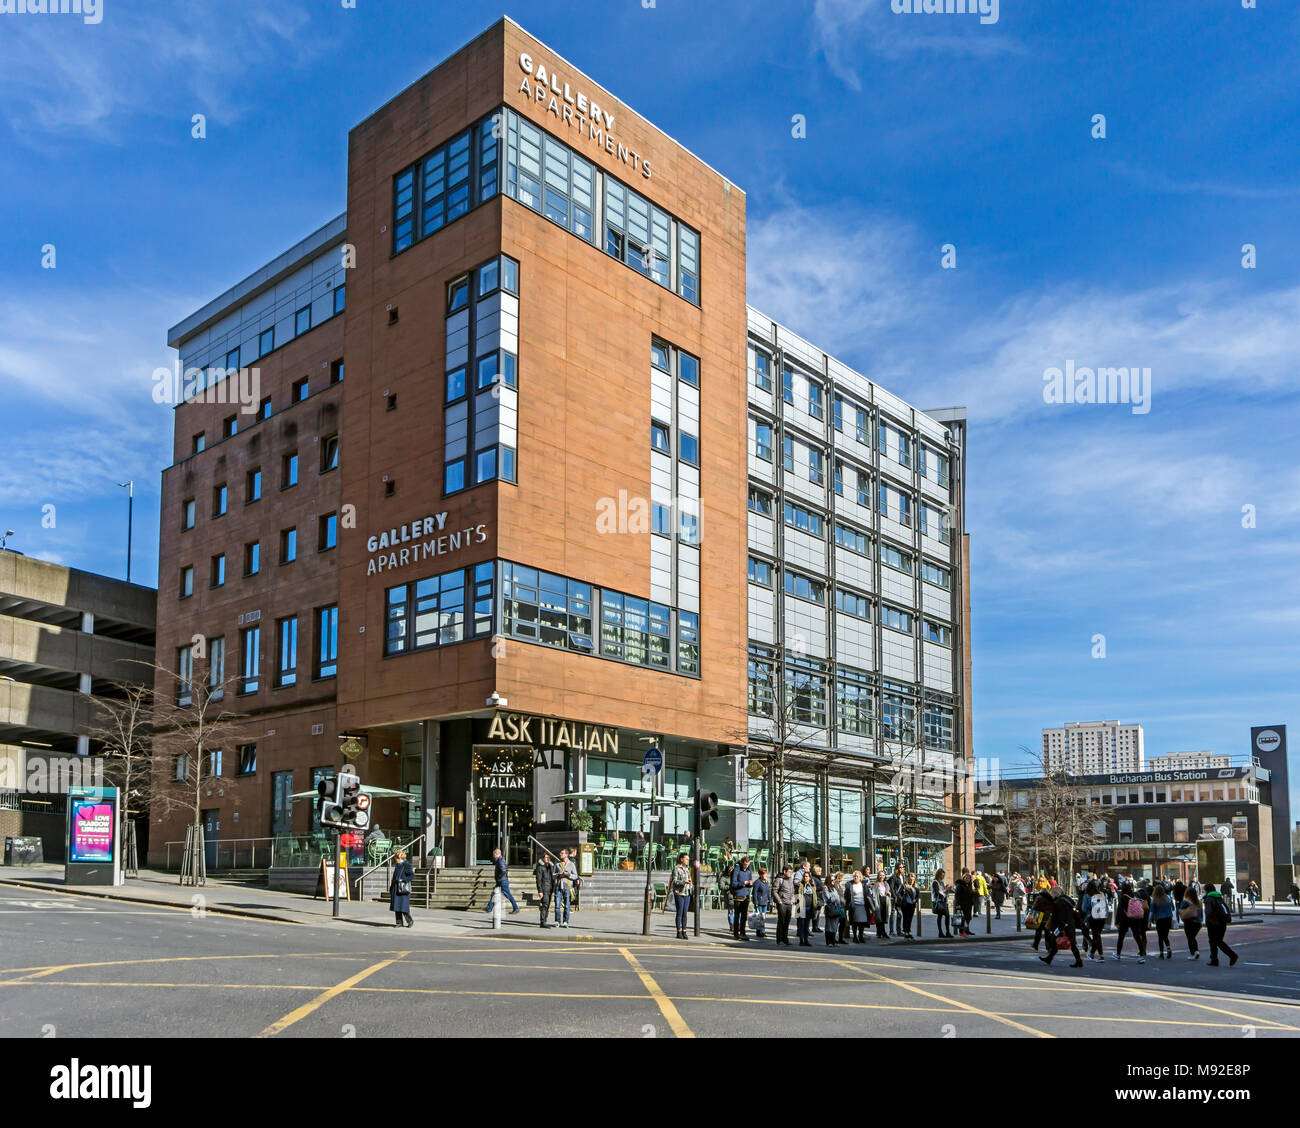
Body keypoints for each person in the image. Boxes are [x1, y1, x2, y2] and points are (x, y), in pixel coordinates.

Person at [1040, 886, 1083, 967]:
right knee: (1070, 942)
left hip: (1063, 925)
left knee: (1054, 939)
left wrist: (1060, 927)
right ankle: (1050, 958)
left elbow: (1060, 916)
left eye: (1052, 894)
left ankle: (1078, 961)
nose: (1051, 896)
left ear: (1056, 894)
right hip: (1070, 924)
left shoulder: (1059, 902)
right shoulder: (1067, 900)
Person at [1202, 883, 1239, 967]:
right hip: (1222, 923)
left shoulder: (1209, 899)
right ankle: (1214, 959)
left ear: (1206, 890)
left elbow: (1209, 912)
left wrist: (1208, 921)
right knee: (1217, 941)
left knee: (1215, 941)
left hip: (1213, 923)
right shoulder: (1219, 897)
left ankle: (1231, 956)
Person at [1114, 881, 1147, 962]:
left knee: (1121, 937)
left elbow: (1120, 910)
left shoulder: (1123, 896)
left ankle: (1118, 954)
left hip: (1125, 919)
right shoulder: (1136, 894)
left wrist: (1117, 921)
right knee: (1137, 936)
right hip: (1135, 918)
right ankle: (1141, 955)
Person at [486, 846, 520, 914]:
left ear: (496, 854)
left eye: (493, 855)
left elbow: (503, 870)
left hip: (502, 881)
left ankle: (516, 908)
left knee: (508, 895)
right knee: (494, 894)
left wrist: (499, 878)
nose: (493, 856)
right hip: (501, 881)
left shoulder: (501, 860)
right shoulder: (499, 860)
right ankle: (489, 908)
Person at [731, 855, 755, 940]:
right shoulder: (736, 870)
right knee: (737, 915)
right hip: (738, 896)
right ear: (741, 863)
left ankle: (743, 932)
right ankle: (736, 933)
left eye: (748, 864)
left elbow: (750, 882)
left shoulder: (748, 871)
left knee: (744, 916)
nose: (746, 866)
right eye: (745, 864)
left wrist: (750, 884)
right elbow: (733, 884)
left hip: (746, 896)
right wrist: (743, 883)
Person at [670, 851, 693, 939]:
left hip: (687, 893)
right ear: (681, 859)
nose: (687, 860)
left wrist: (690, 884)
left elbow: (689, 878)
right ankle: (678, 931)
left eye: (688, 859)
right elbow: (674, 881)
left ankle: (684, 931)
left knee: (685, 913)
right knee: (679, 912)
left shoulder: (687, 869)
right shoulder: (676, 868)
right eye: (686, 859)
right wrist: (684, 882)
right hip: (679, 893)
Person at [1082, 880, 1107, 961]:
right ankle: (1092, 954)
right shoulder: (1102, 895)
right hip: (1102, 917)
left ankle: (1101, 956)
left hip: (1092, 917)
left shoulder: (1087, 896)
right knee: (1097, 935)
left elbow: (1084, 908)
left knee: (1096, 937)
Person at [773, 864, 796, 946]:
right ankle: (779, 940)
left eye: (791, 872)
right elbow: (774, 891)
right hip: (782, 903)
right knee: (781, 922)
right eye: (789, 872)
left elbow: (792, 891)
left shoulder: (790, 880)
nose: (790, 873)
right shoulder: (779, 880)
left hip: (789, 903)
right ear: (784, 871)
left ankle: (785, 939)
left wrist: (792, 900)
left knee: (787, 922)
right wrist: (779, 901)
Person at [553, 848, 577, 928]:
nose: (560, 854)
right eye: (560, 853)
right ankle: (557, 921)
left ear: (566, 854)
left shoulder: (571, 864)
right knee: (557, 905)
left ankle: (565, 921)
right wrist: (559, 874)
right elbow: (553, 875)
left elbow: (575, 876)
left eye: (562, 853)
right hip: (558, 886)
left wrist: (568, 875)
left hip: (567, 886)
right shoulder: (557, 864)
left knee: (567, 905)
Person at [1150, 883, 1175, 958]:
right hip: (1168, 918)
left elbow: (1152, 912)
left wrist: (1149, 921)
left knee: (1160, 936)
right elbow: (1172, 908)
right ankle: (1168, 948)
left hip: (1159, 919)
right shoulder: (1168, 897)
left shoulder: (1154, 900)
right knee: (1165, 935)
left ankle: (1161, 953)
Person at [390, 849, 413, 927]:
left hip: (403, 889)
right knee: (397, 907)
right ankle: (399, 923)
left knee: (403, 907)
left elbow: (411, 875)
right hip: (396, 888)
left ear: (400, 858)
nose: (395, 859)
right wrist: (391, 887)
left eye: (396, 858)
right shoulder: (398, 864)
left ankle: (409, 921)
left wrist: (403, 880)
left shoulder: (406, 864)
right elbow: (394, 877)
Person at [847, 870, 872, 942]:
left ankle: (861, 936)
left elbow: (868, 895)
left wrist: (870, 905)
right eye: (854, 876)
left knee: (862, 922)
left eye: (857, 876)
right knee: (855, 922)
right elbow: (847, 896)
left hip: (863, 906)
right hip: (854, 906)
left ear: (860, 877)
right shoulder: (850, 885)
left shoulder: (863, 885)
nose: (856, 877)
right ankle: (855, 936)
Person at [1179, 886, 1203, 959]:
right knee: (1193, 937)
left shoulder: (1185, 901)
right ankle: (1196, 951)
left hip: (1189, 922)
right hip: (1198, 923)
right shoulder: (1198, 902)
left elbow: (1181, 910)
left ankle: (1193, 953)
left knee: (1190, 938)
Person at [796, 866, 817, 946]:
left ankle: (806, 940)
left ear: (810, 877)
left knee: (807, 925)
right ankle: (801, 940)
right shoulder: (800, 885)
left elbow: (814, 897)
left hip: (810, 908)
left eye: (807, 876)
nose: (805, 878)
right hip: (801, 908)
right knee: (802, 924)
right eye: (804, 876)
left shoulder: (812, 886)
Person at [533, 852, 555, 928]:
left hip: (550, 889)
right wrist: (540, 891)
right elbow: (538, 880)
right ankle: (542, 922)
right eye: (546, 857)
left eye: (549, 857)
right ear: (543, 858)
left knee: (547, 905)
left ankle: (545, 920)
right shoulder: (540, 867)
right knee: (545, 905)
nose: (547, 859)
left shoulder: (551, 867)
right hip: (544, 889)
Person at [822, 873, 844, 946]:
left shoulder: (834, 888)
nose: (833, 881)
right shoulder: (825, 888)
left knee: (834, 926)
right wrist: (836, 898)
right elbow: (828, 898)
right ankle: (828, 942)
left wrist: (838, 900)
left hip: (836, 908)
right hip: (829, 908)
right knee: (829, 926)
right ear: (828, 880)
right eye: (831, 880)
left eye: (834, 880)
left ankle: (833, 942)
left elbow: (837, 898)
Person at [1029, 885, 1054, 951]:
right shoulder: (1050, 898)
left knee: (1038, 932)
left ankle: (1035, 945)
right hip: (1048, 918)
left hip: (1040, 917)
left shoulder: (1039, 898)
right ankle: (1048, 947)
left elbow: (1034, 907)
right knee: (1047, 933)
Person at [931, 869, 953, 938]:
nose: (943, 877)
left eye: (944, 875)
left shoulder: (942, 883)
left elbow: (943, 892)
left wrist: (947, 889)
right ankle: (940, 932)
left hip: (943, 901)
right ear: (938, 875)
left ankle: (947, 932)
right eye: (942, 875)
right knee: (940, 916)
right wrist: (945, 890)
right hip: (938, 902)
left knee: (947, 916)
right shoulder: (935, 882)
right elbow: (937, 892)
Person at [954, 869, 976, 936]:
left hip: (968, 904)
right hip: (961, 904)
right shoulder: (960, 885)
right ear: (963, 878)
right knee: (961, 918)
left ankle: (967, 930)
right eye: (966, 878)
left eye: (969, 878)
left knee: (968, 918)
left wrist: (974, 892)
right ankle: (961, 932)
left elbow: (969, 893)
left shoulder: (969, 885)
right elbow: (957, 895)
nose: (967, 879)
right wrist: (957, 904)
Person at [898, 872, 919, 939]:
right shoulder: (904, 885)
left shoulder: (915, 887)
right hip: (905, 904)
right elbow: (898, 894)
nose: (912, 881)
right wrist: (902, 898)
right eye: (910, 880)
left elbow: (918, 895)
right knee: (906, 918)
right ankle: (906, 932)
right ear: (908, 879)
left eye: (913, 880)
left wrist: (915, 900)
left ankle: (908, 932)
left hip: (912, 905)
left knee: (910, 919)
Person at [752, 865, 772, 939]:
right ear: (760, 875)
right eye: (763, 874)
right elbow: (754, 892)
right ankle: (761, 931)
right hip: (759, 902)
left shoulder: (767, 882)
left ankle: (761, 931)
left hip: (765, 902)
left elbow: (768, 892)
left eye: (766, 874)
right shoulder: (757, 882)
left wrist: (770, 900)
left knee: (763, 918)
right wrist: (756, 902)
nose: (765, 875)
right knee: (760, 917)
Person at [873, 871, 892, 939]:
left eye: (883, 875)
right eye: (880, 875)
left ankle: (882, 932)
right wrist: (875, 903)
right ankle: (879, 932)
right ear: (878, 876)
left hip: (885, 901)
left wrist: (889, 893)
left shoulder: (886, 884)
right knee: (879, 917)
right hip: (878, 901)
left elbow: (889, 892)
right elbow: (874, 894)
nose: (882, 877)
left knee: (883, 917)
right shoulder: (876, 884)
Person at [888, 862, 907, 933]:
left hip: (900, 899)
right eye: (900, 867)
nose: (901, 869)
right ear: (896, 868)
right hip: (894, 898)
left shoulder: (902, 876)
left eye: (902, 867)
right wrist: (894, 896)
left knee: (900, 914)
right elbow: (891, 887)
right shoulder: (893, 877)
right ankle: (891, 931)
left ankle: (898, 931)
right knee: (892, 914)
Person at [811, 864, 826, 934]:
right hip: (817, 898)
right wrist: (822, 887)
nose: (821, 872)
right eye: (819, 871)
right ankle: (815, 927)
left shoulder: (818, 878)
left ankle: (816, 926)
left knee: (817, 913)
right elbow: (814, 889)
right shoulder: (814, 878)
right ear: (816, 871)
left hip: (819, 898)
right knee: (815, 913)